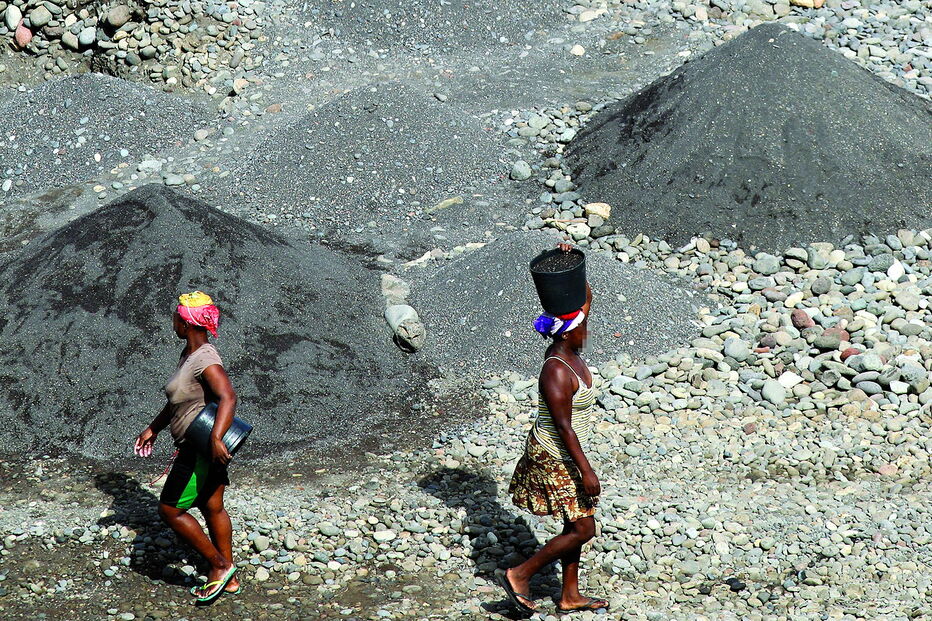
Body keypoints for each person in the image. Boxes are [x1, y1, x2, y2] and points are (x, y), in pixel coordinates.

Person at [498, 243, 608, 614]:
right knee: (583, 528)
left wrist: (568, 265)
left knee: (574, 519)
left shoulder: (570, 347)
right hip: (553, 453)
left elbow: (585, 299)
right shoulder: (557, 370)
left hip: (566, 450)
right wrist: (586, 469)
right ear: (567, 333)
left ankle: (569, 595)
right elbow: (564, 428)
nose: (587, 330)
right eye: (581, 327)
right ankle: (520, 574)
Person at [134, 291, 240, 604]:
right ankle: (229, 578)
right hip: (206, 445)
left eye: (176, 317)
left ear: (187, 322)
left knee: (170, 509)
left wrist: (217, 437)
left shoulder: (205, 359)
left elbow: (228, 396)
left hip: (200, 447)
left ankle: (219, 566)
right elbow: (178, 402)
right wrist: (154, 428)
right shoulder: (190, 354)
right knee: (212, 506)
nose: (173, 322)